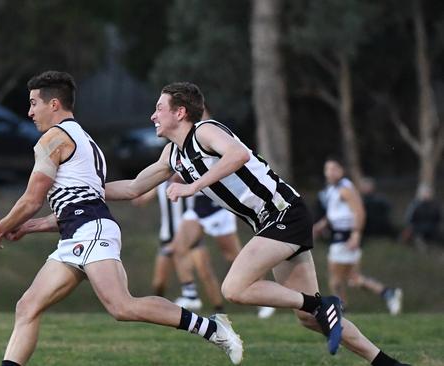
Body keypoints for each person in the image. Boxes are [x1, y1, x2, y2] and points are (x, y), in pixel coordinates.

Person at [104, 82, 410, 365]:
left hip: (284, 213)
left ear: (180, 112)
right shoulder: (173, 154)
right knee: (310, 318)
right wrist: (85, 190)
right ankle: (386, 362)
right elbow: (133, 187)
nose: (152, 114)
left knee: (235, 288)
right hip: (271, 223)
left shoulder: (204, 131)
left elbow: (238, 154)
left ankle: (321, 303)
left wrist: (192, 187)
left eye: (159, 107)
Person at [0, 71, 243, 366]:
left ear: (54, 105)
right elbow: (80, 203)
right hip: (80, 232)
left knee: (122, 307)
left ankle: (212, 328)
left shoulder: (53, 139)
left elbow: (32, 200)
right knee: (27, 306)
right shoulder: (84, 140)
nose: (29, 111)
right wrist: (28, 227)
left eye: (34, 103)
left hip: (91, 231)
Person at [313, 158, 403, 315]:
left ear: (342, 170)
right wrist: (320, 226)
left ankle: (340, 309)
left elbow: (359, 211)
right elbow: (335, 213)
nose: (330, 172)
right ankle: (388, 293)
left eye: (334, 168)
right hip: (341, 236)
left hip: (345, 237)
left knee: (335, 280)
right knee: (353, 278)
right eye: (327, 169)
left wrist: (355, 235)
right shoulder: (333, 189)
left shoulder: (345, 188)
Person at [132, 178, 227, 312]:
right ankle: (157, 310)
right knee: (159, 282)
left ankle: (219, 311)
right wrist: (137, 195)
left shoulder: (186, 177)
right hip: (167, 237)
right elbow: (142, 198)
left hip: (190, 235)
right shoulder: (160, 183)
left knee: (205, 273)